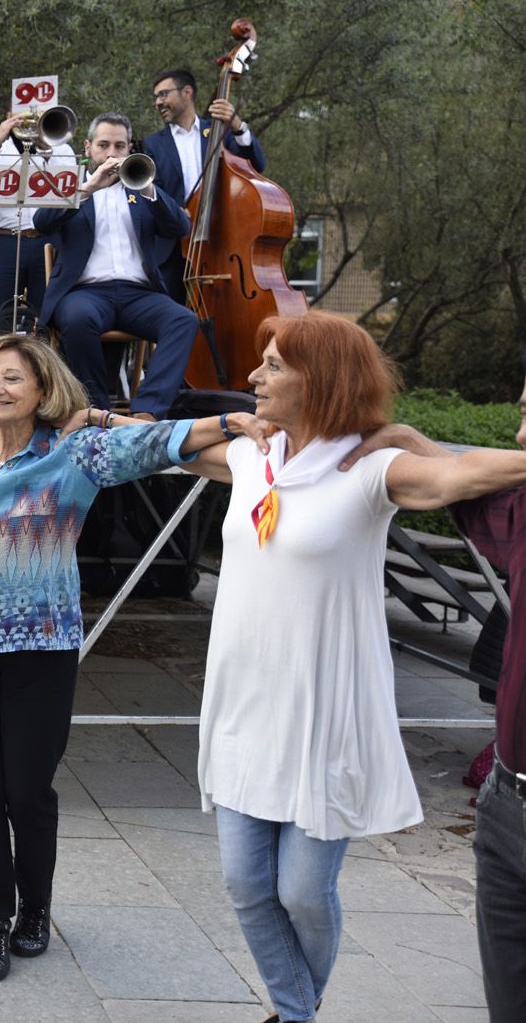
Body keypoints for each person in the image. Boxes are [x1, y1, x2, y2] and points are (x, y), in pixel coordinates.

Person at [169, 311, 526, 1023]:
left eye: (272, 364)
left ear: (320, 377)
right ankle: (298, 1011)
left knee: (302, 891)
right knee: (245, 883)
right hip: (243, 706)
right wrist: (227, 424)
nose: (255, 375)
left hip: (324, 717)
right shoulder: (250, 459)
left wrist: (402, 437)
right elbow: (155, 445)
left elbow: (460, 473)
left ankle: (293, 1009)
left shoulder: (371, 471)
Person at [0, 332, 249, 982]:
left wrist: (223, 420)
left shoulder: (77, 454)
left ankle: (35, 908)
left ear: (43, 388)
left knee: (27, 788)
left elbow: (160, 442)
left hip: (39, 647)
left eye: (12, 378)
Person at [33, 112, 197, 419]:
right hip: (86, 293)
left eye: (119, 146)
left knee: (183, 320)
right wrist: (88, 189)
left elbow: (179, 227)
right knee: (78, 319)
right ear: (87, 148)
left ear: (130, 149)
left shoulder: (143, 189)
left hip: (139, 295)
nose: (111, 153)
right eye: (103, 145)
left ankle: (147, 410)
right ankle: (97, 410)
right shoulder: (72, 188)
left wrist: (148, 188)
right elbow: (42, 222)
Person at [140, 68, 266, 303]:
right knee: (170, 314)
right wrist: (173, 210)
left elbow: (256, 165)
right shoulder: (151, 144)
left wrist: (238, 126)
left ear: (187, 92)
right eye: (156, 97)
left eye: (164, 94)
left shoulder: (219, 132)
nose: (159, 102)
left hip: (220, 240)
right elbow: (152, 190)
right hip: (171, 246)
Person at [0, 109, 75, 334]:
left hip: (47, 241)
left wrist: (45, 145)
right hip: (7, 240)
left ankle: (45, 367)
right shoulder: (2, 147)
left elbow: (71, 190)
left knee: (46, 314)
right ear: (9, 112)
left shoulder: (62, 148)